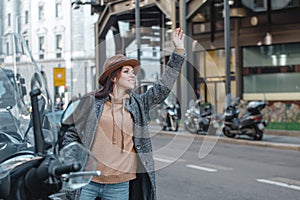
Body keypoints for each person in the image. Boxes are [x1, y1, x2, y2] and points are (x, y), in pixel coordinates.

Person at [62, 27, 185, 200]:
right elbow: (71, 136)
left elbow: (162, 89)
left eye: (132, 72)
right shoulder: (91, 103)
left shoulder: (138, 104)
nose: (132, 75)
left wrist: (178, 51)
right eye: (126, 71)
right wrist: (72, 163)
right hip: (87, 181)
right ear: (113, 77)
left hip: (119, 184)